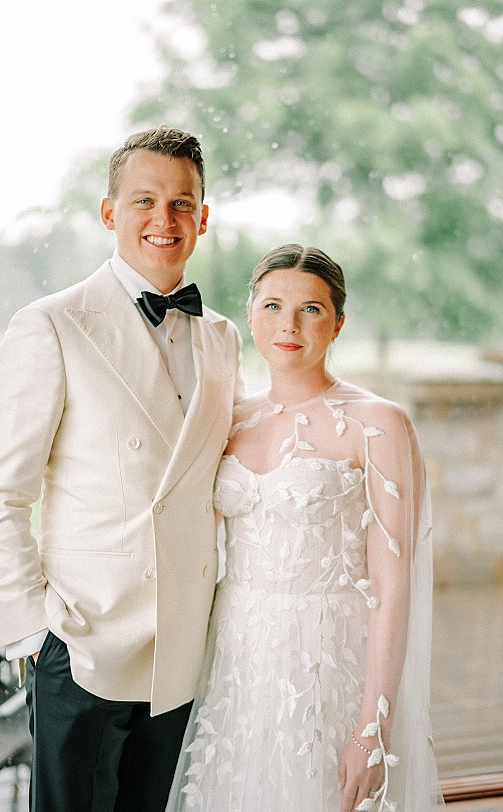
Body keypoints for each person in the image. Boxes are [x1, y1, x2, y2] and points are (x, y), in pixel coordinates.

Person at [0, 126, 244, 812]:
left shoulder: (223, 337)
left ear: (203, 218)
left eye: (183, 203)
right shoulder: (52, 325)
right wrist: (34, 630)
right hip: (83, 642)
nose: (165, 219)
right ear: (109, 211)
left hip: (183, 645)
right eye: (145, 199)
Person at [166, 245, 444, 812]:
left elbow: (393, 587)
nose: (288, 325)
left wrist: (373, 724)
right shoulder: (228, 418)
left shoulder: (378, 425)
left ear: (338, 322)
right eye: (272, 306)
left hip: (331, 656)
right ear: (250, 316)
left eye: (311, 309)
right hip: (239, 656)